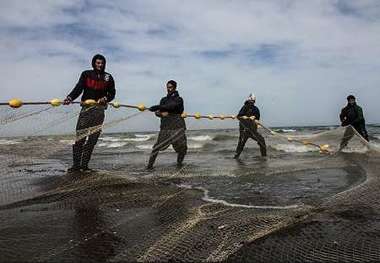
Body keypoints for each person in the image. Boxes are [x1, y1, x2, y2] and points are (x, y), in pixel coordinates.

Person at [63, 54, 116, 172]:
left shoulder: (108, 77)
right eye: (97, 63)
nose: (100, 65)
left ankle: (84, 166)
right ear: (93, 63)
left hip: (99, 111)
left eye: (102, 63)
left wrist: (106, 99)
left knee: (92, 140)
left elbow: (112, 93)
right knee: (80, 138)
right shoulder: (86, 74)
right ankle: (76, 166)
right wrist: (70, 97)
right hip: (86, 110)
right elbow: (79, 87)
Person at [147, 80, 187, 170]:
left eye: (170, 87)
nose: (169, 89)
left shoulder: (179, 99)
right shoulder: (163, 100)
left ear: (175, 88)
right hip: (165, 127)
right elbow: (157, 113)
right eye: (167, 87)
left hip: (178, 127)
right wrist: (160, 113)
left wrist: (158, 107)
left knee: (183, 148)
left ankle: (179, 164)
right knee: (156, 147)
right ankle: (149, 166)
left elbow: (172, 106)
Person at [234, 93, 267, 159]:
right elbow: (238, 116)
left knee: (262, 141)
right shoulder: (244, 107)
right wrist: (244, 117)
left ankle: (264, 158)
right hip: (244, 131)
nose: (251, 103)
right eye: (250, 101)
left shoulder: (256, 109)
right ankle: (236, 158)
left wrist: (254, 118)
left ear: (254, 102)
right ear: (248, 101)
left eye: (253, 101)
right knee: (240, 145)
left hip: (253, 131)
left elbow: (257, 119)